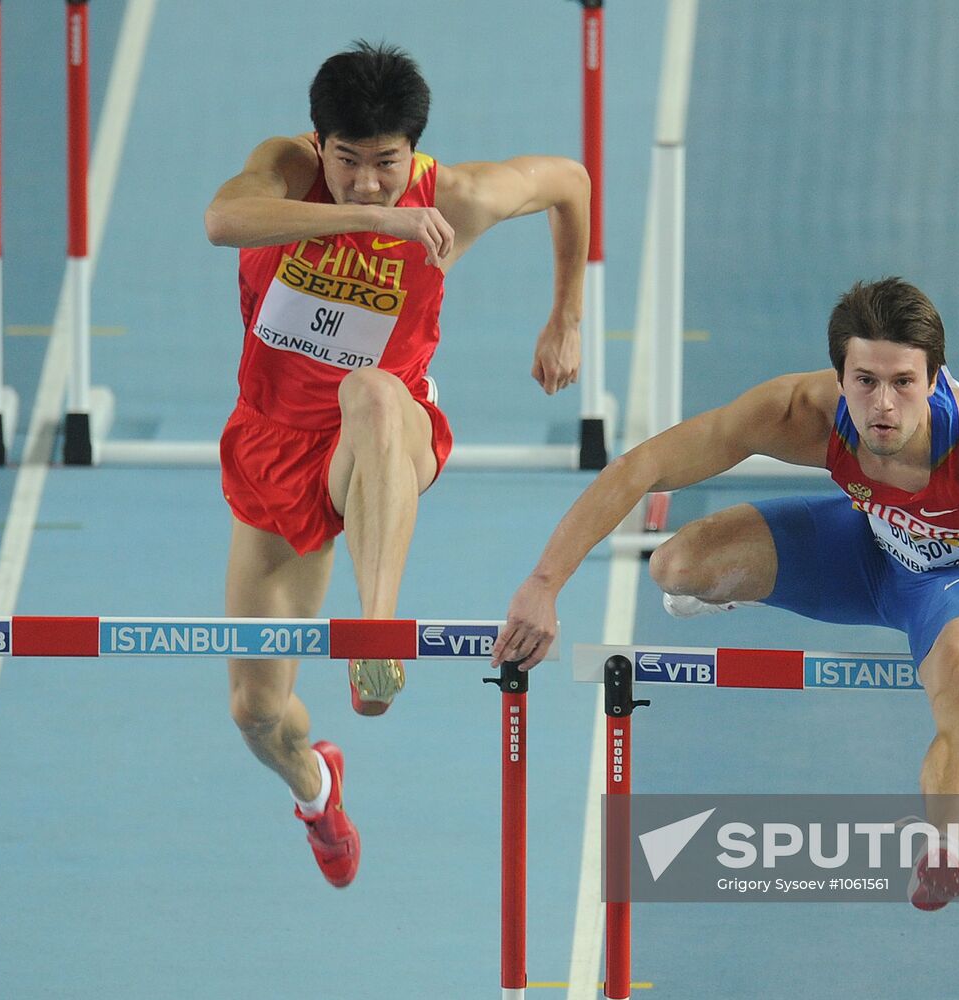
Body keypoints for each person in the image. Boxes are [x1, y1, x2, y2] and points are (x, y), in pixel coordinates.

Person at [492, 276, 959, 909]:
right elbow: (644, 465)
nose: (884, 407)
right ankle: (731, 587)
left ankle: (945, 849)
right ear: (839, 376)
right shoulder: (803, 414)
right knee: (676, 566)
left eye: (904, 382)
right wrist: (544, 583)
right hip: (871, 548)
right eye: (865, 381)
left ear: (934, 380)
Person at [204, 41, 589, 888]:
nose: (370, 181)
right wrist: (370, 221)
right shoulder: (283, 168)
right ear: (318, 143)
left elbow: (569, 181)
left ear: (413, 150)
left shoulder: (456, 195)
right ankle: (318, 789)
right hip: (273, 442)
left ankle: (376, 633)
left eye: (388, 165)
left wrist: (565, 315)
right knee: (258, 713)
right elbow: (221, 221)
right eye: (349, 162)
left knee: (374, 392)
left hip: (381, 440)